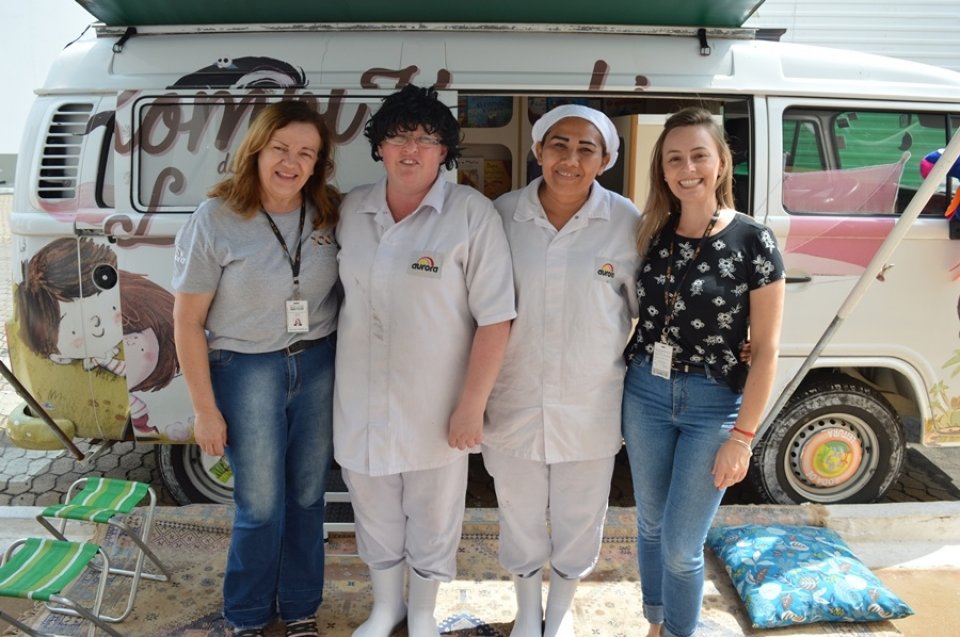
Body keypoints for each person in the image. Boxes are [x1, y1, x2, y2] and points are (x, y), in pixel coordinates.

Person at [334, 84, 516, 637]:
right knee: (374, 509)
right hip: (360, 397)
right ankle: (385, 607)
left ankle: (423, 614)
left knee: (435, 516)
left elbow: (496, 317)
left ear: (445, 152)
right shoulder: (350, 209)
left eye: (426, 139)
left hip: (436, 403)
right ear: (379, 147)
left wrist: (472, 406)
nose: (410, 150)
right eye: (398, 137)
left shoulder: (470, 214)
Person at [172, 100, 340, 637]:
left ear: (318, 163)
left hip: (317, 362)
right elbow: (187, 322)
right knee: (261, 504)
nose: (291, 163)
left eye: (306, 153)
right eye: (281, 148)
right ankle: (245, 616)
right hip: (245, 368)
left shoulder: (329, 214)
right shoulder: (216, 220)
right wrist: (204, 410)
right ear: (257, 150)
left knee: (309, 496)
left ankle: (298, 609)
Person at [621, 107, 786, 637]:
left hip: (714, 405)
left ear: (720, 164)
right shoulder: (651, 232)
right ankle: (655, 622)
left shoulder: (753, 241)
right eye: (675, 158)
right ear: (662, 170)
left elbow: (765, 350)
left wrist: (743, 437)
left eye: (698, 155)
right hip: (645, 392)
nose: (686, 167)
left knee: (681, 545)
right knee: (648, 524)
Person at [482, 104, 641, 637]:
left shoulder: (627, 223)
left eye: (586, 148)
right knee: (519, 511)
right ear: (537, 151)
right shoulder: (500, 215)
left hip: (589, 400)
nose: (569, 159)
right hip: (512, 395)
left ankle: (561, 609)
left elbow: (649, 313)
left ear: (606, 159)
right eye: (559, 144)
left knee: (580, 516)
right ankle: (529, 609)